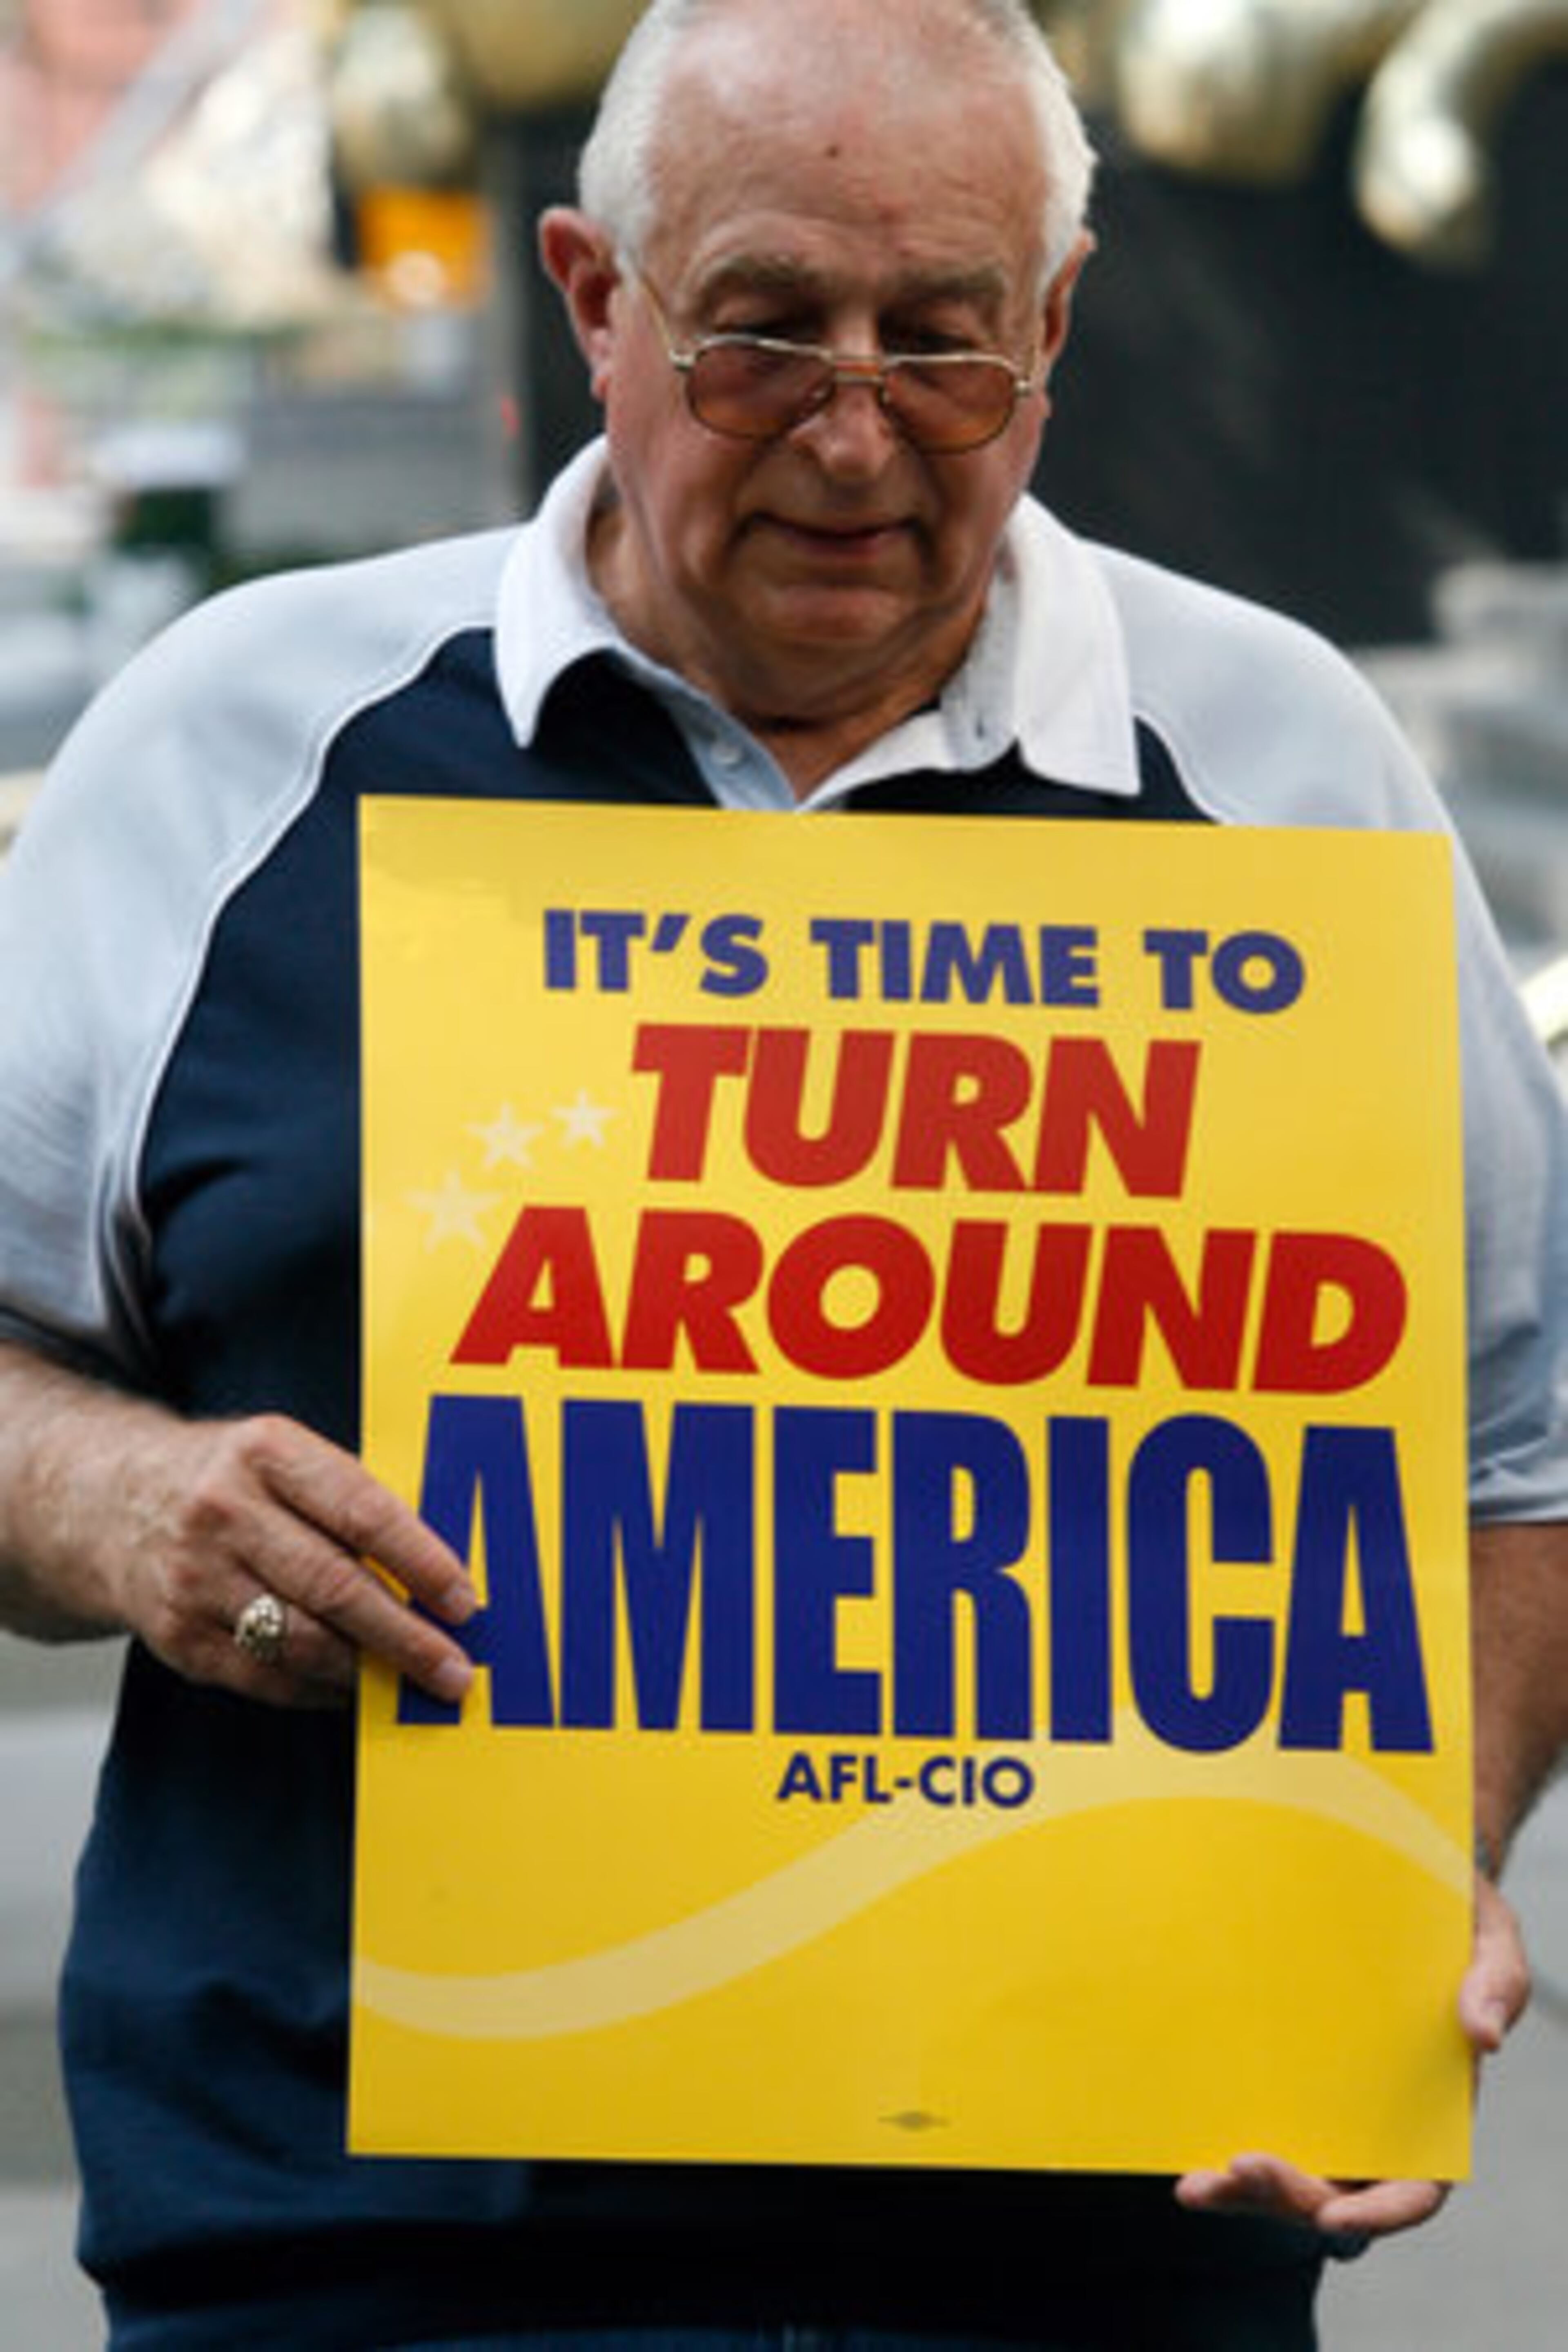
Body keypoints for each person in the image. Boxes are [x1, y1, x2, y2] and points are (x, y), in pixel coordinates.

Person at [0, 0, 1564, 2344]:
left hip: (1088, 2255)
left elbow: (1513, 1459)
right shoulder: (241, 746)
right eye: (758, 338)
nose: (854, 434)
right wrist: (128, 1506)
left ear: (1057, 330)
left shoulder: (1276, 767)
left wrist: (1387, 1876)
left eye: (944, 348)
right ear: (590, 299)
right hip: (355, 2262)